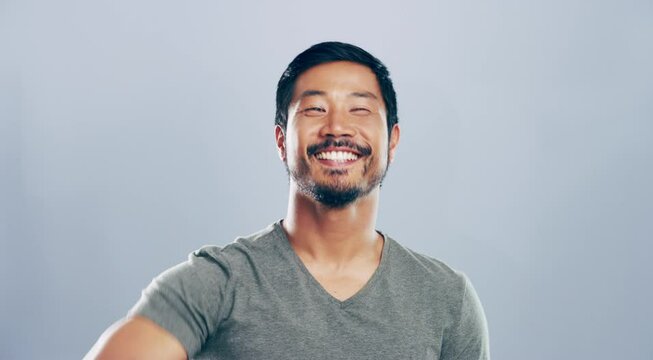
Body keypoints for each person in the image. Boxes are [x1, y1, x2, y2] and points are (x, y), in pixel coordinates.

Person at [86, 41, 490, 359]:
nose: (337, 128)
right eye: (315, 109)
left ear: (392, 142)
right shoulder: (216, 284)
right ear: (282, 141)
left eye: (360, 109)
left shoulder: (445, 298)